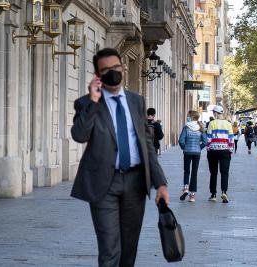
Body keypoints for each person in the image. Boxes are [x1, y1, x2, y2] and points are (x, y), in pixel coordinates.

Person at [70, 48, 169, 267]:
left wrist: (160, 183)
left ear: (123, 67)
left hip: (135, 182)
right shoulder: (86, 103)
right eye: (106, 70)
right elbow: (79, 135)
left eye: (115, 67)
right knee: (109, 248)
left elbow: (147, 146)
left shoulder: (136, 101)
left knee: (129, 249)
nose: (113, 72)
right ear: (98, 75)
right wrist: (94, 101)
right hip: (104, 183)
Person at [206, 105, 235, 203]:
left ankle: (213, 194)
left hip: (213, 151)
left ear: (215, 113)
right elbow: (231, 138)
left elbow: (209, 138)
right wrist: (230, 149)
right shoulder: (228, 124)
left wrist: (208, 148)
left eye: (213, 112)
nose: (213, 114)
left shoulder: (211, 123)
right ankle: (224, 192)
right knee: (224, 172)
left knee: (213, 173)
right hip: (225, 151)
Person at [178, 110, 207, 202]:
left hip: (187, 152)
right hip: (196, 153)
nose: (187, 117)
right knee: (194, 172)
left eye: (188, 116)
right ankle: (192, 195)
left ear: (191, 117)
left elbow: (181, 141)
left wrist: (184, 148)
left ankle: (186, 188)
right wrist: (199, 148)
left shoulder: (186, 127)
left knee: (187, 171)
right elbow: (205, 141)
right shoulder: (200, 127)